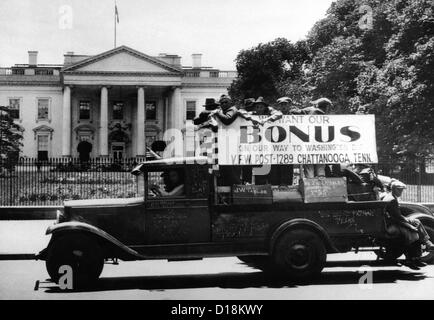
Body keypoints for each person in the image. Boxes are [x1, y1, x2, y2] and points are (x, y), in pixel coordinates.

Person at [381, 180, 434, 269]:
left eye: (401, 190)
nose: (401, 192)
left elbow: (397, 217)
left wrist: (409, 222)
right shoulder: (392, 200)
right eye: (399, 190)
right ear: (393, 189)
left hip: (392, 222)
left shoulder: (390, 197)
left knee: (416, 223)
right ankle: (411, 259)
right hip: (392, 225)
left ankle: (424, 247)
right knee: (413, 234)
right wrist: (409, 223)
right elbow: (397, 217)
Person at [301, 97, 333, 178]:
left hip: (307, 144)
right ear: (327, 107)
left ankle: (310, 184)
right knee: (320, 167)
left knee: (309, 168)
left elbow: (296, 111)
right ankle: (321, 183)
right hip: (319, 145)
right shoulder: (321, 114)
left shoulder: (308, 110)